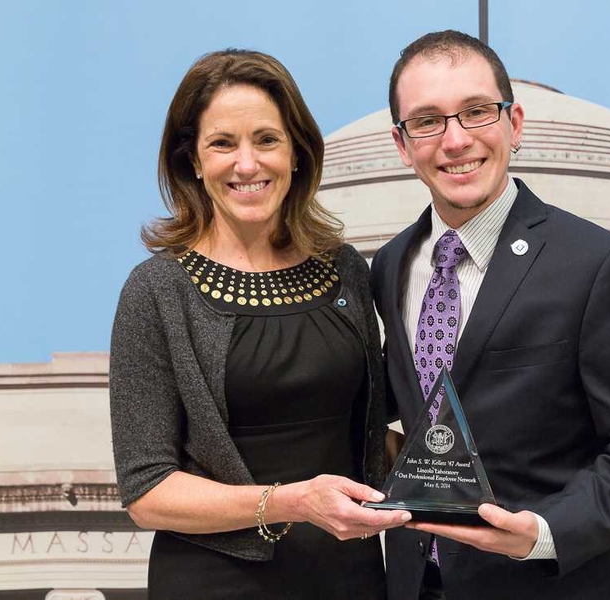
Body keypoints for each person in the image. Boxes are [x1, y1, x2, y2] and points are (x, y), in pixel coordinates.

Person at [371, 31, 610, 599]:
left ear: (514, 123)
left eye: (475, 112)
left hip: (560, 585)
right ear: (402, 143)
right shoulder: (391, 265)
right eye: (427, 121)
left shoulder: (596, 264)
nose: (455, 140)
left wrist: (542, 533)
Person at [109, 49, 409, 599]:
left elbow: (366, 432)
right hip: (217, 583)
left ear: (296, 153)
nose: (247, 164)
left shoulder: (343, 270)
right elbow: (146, 490)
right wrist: (293, 502)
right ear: (193, 162)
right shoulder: (156, 290)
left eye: (266, 140)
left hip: (351, 576)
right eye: (223, 143)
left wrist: (457, 458)